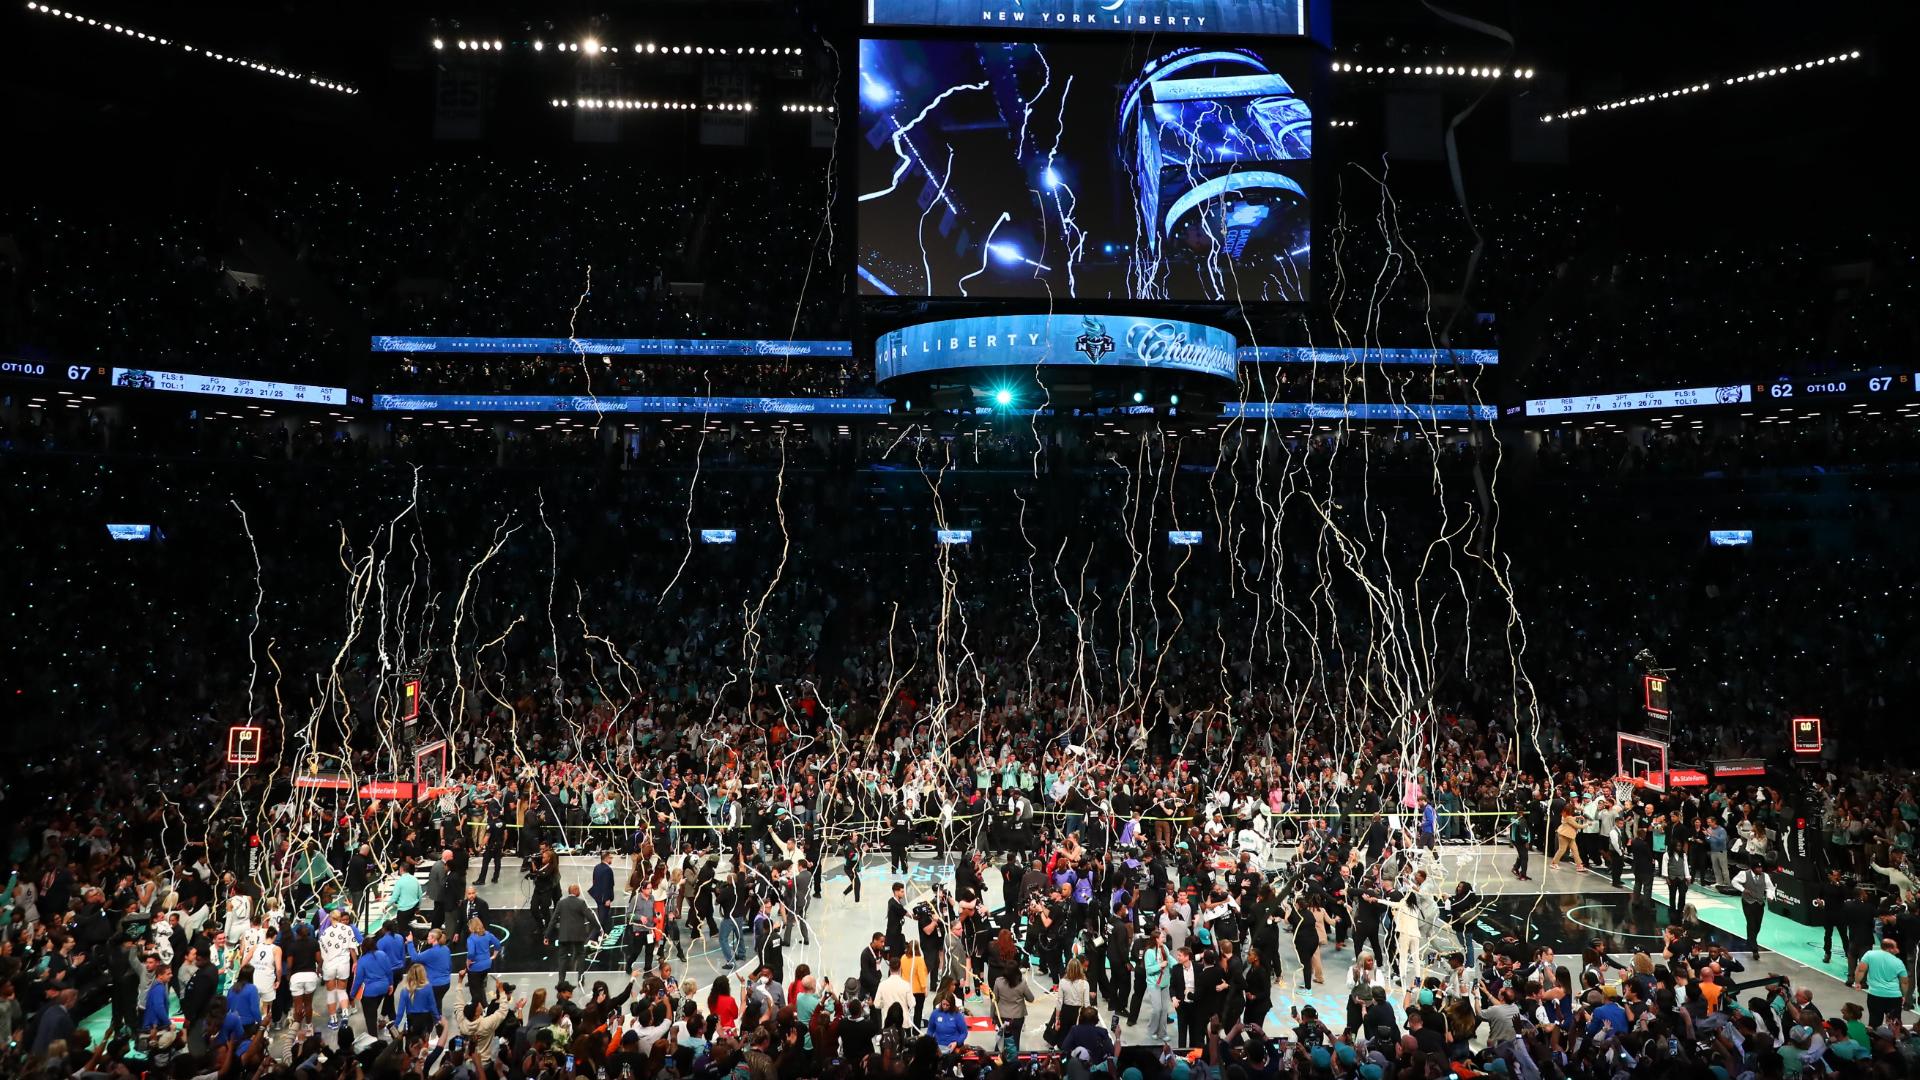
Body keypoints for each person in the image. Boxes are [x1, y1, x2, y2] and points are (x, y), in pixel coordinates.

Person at [547, 882, 600, 985]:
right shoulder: (581, 903)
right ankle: (580, 980)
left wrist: (547, 935)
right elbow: (590, 917)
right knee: (581, 956)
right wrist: (599, 928)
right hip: (578, 936)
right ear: (576, 891)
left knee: (562, 958)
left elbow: (553, 920)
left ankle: (561, 981)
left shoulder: (561, 903)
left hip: (564, 936)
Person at [1856, 936, 1911, 1027]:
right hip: (1894, 997)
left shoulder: (1869, 954)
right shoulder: (1898, 962)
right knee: (1894, 1024)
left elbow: (1860, 970)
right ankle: (1895, 1040)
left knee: (1874, 1023)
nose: (1897, 950)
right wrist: (1904, 995)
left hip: (1875, 996)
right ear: (1889, 949)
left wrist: (1857, 982)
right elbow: (1904, 982)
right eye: (1895, 947)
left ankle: (1874, 1040)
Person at [1732, 863, 1778, 956]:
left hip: (1760, 903)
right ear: (1753, 869)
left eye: (1761, 867)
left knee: (1758, 925)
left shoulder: (1765, 876)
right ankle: (1754, 948)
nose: (1760, 869)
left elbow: (1770, 887)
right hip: (1747, 902)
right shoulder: (1744, 874)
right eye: (1758, 868)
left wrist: (1770, 896)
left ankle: (1750, 939)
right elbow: (1734, 881)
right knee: (1751, 923)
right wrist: (1743, 889)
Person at [350, 938, 394, 1033]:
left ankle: (374, 1040)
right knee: (373, 1008)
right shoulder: (383, 954)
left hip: (369, 992)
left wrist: (352, 994)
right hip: (383, 988)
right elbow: (389, 971)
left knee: (370, 1018)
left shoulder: (362, 960)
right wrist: (391, 984)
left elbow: (358, 980)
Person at [396, 962, 440, 1039]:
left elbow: (400, 1012)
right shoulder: (428, 988)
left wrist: (396, 1025)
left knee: (411, 1046)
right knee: (423, 1044)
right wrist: (437, 1021)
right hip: (426, 1021)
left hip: (412, 1022)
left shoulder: (405, 990)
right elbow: (433, 1007)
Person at [463, 916, 501, 1005]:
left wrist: (468, 961)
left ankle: (479, 1007)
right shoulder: (487, 934)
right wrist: (494, 955)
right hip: (487, 964)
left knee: (474, 989)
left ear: (472, 927)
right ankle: (483, 1005)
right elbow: (497, 944)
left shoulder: (471, 938)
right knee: (480, 986)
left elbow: (471, 953)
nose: (468, 928)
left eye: (469, 926)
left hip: (475, 967)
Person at [590, 850, 617, 929]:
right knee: (603, 918)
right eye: (611, 858)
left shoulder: (597, 867)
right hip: (604, 898)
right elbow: (607, 885)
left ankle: (602, 932)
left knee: (601, 914)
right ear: (606, 858)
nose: (611, 860)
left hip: (597, 896)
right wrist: (607, 899)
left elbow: (594, 881)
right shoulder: (608, 870)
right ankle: (599, 933)